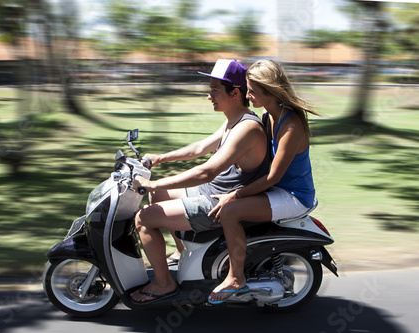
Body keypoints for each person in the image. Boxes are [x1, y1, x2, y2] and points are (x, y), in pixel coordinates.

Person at [129, 59, 270, 303]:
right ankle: (183, 253)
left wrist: (152, 183)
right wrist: (160, 158)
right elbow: (201, 147)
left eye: (214, 90)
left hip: (216, 203)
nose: (209, 96)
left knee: (143, 218)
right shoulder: (234, 119)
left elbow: (207, 171)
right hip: (209, 191)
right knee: (158, 196)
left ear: (235, 93)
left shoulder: (247, 128)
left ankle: (164, 284)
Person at [207, 59, 319, 304]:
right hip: (276, 189)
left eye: (252, 91)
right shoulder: (268, 115)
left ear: (269, 91)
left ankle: (236, 278)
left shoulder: (291, 125)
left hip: (293, 195)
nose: (247, 95)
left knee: (230, 211)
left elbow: (274, 176)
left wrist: (235, 195)